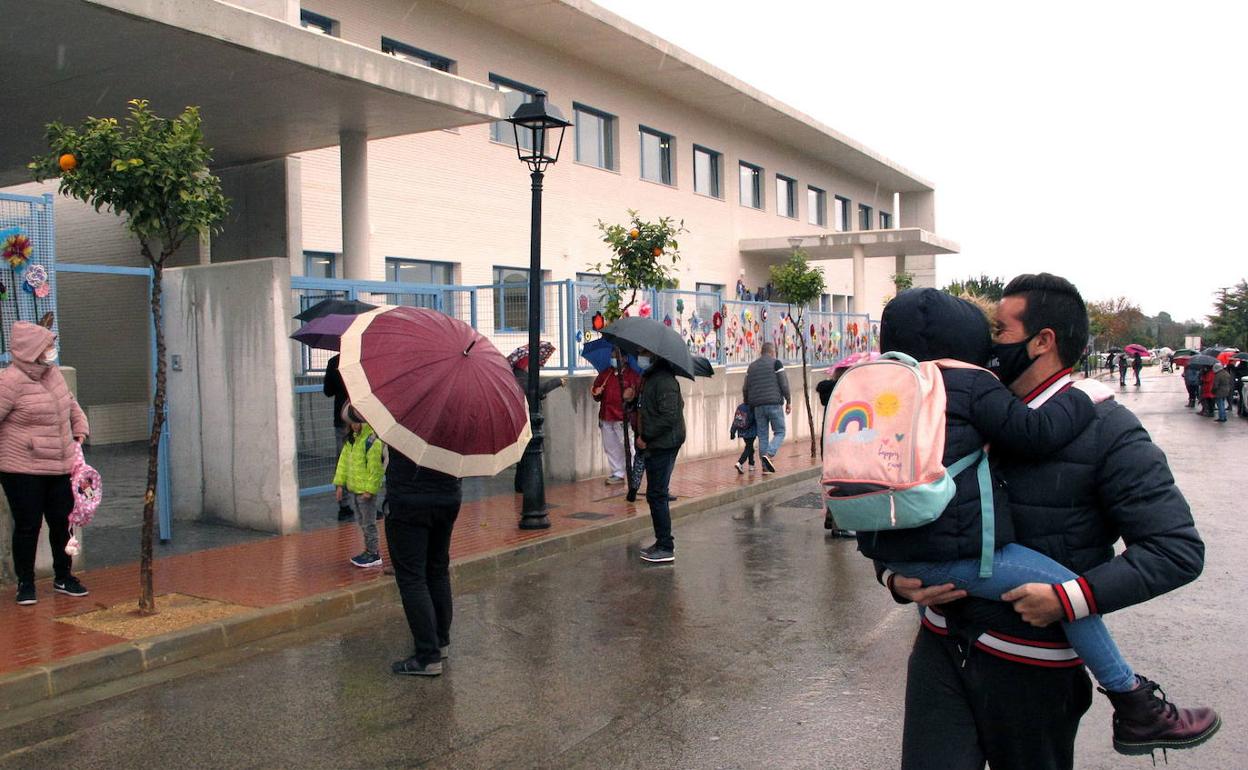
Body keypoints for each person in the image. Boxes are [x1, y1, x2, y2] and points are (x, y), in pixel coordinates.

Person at [847, 289, 1209, 756]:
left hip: (1034, 674)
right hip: (940, 653)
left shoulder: (1109, 428)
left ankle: (1134, 703)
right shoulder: (950, 408)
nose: (987, 344)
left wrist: (1067, 598)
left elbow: (1175, 550)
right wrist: (896, 577)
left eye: (999, 331)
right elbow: (885, 493)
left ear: (1042, 341)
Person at [0, 322, 91, 605]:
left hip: (61, 463)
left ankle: (63, 576)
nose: (52, 351)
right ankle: (25, 583)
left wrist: (80, 426)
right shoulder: (10, 381)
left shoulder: (53, 376)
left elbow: (71, 405)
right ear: (32, 350)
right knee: (28, 526)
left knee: (63, 523)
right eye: (47, 346)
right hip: (22, 468)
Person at [386, 446, 463, 677]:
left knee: (412, 579)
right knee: (437, 571)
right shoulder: (458, 412)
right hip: (448, 496)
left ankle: (428, 656)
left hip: (409, 500)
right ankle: (440, 642)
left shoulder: (402, 409)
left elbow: (352, 414)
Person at [635, 348, 685, 564]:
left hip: (663, 444)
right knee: (656, 494)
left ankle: (666, 546)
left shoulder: (664, 381)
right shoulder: (651, 379)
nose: (640, 357)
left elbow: (669, 416)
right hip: (658, 442)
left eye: (643, 353)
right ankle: (662, 542)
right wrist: (631, 399)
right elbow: (648, 410)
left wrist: (645, 436)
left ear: (655, 355)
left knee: (657, 495)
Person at [333, 406, 385, 568]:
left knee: (368, 522)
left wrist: (370, 490)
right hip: (355, 489)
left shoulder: (371, 442)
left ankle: (373, 552)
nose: (354, 426)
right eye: (351, 423)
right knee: (362, 521)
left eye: (356, 423)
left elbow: (375, 470)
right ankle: (368, 550)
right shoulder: (352, 441)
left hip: (365, 492)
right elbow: (343, 463)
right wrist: (340, 484)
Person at [511, 363, 565, 494]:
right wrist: (557, 381)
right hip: (526, 418)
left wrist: (540, 395)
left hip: (526, 416)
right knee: (527, 452)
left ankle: (521, 484)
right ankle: (523, 484)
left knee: (525, 453)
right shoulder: (519, 377)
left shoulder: (522, 376)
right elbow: (537, 390)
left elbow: (535, 393)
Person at [590, 349, 640, 485]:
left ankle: (635, 471)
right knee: (610, 447)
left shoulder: (632, 376)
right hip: (606, 416)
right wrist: (597, 393)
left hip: (622, 417)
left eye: (615, 356)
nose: (613, 359)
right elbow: (596, 393)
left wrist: (631, 395)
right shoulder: (606, 374)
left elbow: (636, 395)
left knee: (628, 446)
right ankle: (617, 473)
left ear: (624, 358)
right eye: (611, 356)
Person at [743, 342, 790, 475]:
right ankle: (769, 454)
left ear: (761, 352)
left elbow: (745, 388)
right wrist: (789, 401)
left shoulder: (751, 367)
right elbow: (784, 384)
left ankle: (765, 467)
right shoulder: (776, 364)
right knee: (780, 432)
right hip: (774, 403)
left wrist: (747, 403)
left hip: (758, 406)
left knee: (762, 436)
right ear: (772, 352)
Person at [323, 354, 355, 522]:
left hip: (342, 419)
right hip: (362, 419)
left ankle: (344, 505)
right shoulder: (360, 357)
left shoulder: (334, 362)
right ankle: (363, 501)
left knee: (342, 461)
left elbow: (328, 391)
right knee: (363, 460)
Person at [729, 401, 756, 474]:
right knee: (749, 447)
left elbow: (736, 420)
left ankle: (751, 465)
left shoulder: (740, 407)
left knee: (750, 447)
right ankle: (740, 463)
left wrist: (732, 431)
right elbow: (755, 419)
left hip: (742, 431)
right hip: (751, 431)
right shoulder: (753, 406)